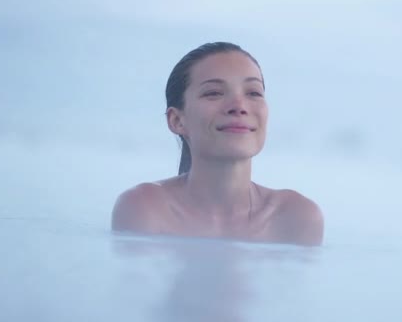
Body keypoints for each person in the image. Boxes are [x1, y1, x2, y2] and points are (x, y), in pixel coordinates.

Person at [111, 42, 324, 246]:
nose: (239, 106)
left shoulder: (296, 218)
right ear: (177, 120)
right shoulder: (145, 209)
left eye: (253, 93)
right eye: (213, 93)